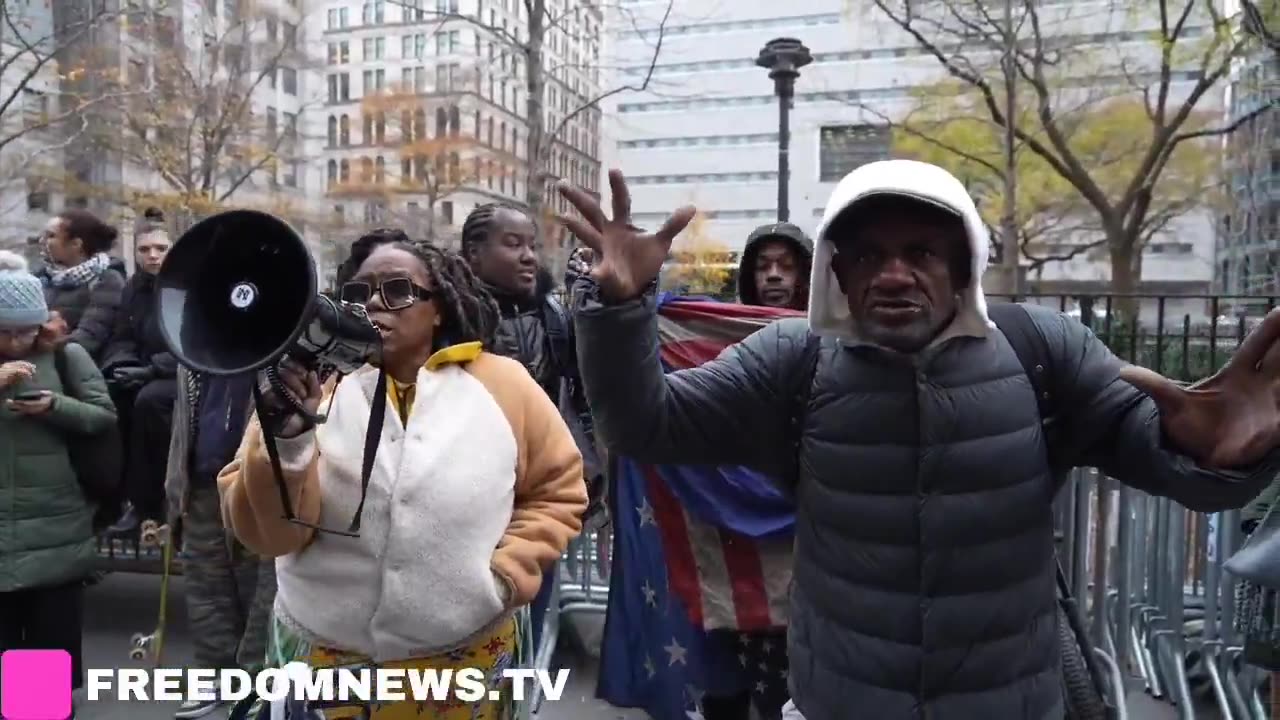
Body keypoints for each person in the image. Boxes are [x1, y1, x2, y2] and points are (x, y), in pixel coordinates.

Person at [557, 162, 1280, 720]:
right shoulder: (792, 358)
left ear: (964, 262)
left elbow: (1170, 465)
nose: (893, 274)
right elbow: (643, 427)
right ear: (836, 271)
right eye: (867, 256)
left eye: (920, 253)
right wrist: (620, 312)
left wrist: (1223, 454)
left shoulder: (1042, 349)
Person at [218, 235, 587, 719]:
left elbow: (558, 492)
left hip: (461, 665)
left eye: (397, 290)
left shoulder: (505, 385)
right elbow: (268, 535)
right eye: (359, 291)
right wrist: (287, 439)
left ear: (439, 310)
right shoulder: (311, 386)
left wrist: (504, 576)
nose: (373, 302)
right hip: (323, 662)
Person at [460, 203, 600, 653]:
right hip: (465, 496)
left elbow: (584, 394)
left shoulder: (555, 319)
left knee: (530, 615)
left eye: (532, 246)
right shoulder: (446, 323)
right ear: (473, 255)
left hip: (536, 497)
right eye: (512, 243)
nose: (528, 257)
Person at [696, 223, 813, 720]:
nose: (773, 276)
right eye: (763, 266)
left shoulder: (845, 338)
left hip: (807, 536)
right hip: (731, 539)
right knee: (724, 683)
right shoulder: (713, 339)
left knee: (785, 686)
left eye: (786, 265)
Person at [0, 251, 117, 718]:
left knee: (47, 653)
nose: (15, 341)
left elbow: (103, 417)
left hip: (55, 527)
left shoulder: (67, 356)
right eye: (4, 331)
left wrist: (55, 407)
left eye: (25, 331)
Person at [165, 364, 274, 719]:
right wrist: (175, 485)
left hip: (259, 480)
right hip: (200, 479)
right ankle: (214, 674)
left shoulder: (283, 343)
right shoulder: (197, 346)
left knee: (261, 588)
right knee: (205, 583)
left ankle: (254, 678)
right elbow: (184, 420)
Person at [102, 209, 178, 534]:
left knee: (149, 402)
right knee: (111, 397)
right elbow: (122, 335)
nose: (153, 255)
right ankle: (118, 502)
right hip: (145, 368)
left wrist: (150, 370)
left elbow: (196, 349)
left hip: (184, 376)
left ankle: (154, 504)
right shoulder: (134, 287)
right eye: (145, 249)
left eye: (161, 248)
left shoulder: (189, 287)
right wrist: (122, 366)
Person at [34, 209, 126, 361]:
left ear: (76, 244)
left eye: (51, 236)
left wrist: (39, 346)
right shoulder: (41, 276)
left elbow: (89, 337)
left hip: (80, 370)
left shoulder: (107, 280)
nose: (42, 241)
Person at [737, 222, 812, 311]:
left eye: (787, 265)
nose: (773, 274)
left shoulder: (828, 323)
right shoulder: (729, 323)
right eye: (762, 266)